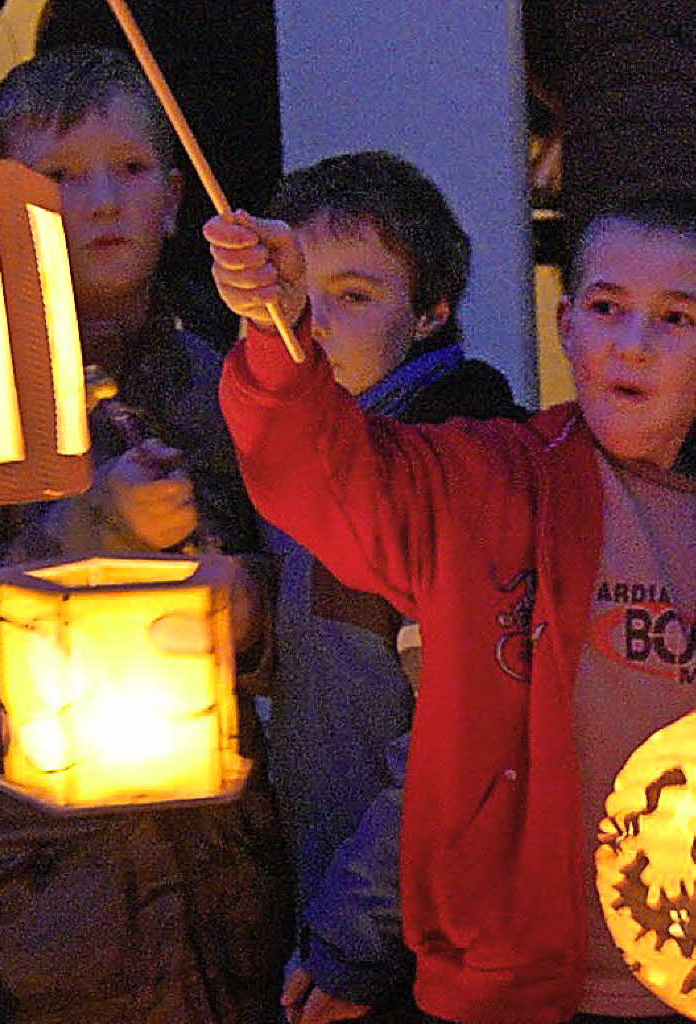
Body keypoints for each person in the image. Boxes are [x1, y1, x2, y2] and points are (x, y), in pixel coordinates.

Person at [205, 188, 696, 1024]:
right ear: (566, 324)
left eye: (675, 318)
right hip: (524, 986)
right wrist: (277, 331)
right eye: (608, 308)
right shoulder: (496, 481)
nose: (632, 345)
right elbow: (322, 473)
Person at [0, 45, 291, 1024]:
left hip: (220, 896)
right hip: (41, 911)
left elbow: (300, 606)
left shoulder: (224, 382)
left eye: (130, 167)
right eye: (61, 177)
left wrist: (239, 602)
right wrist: (88, 529)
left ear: (173, 199)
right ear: (0, 206)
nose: (102, 199)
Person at [252, 151, 525, 1024]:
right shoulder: (325, 450)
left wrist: (354, 938)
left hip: (422, 952)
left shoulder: (448, 466)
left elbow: (457, 738)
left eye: (355, 296)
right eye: (298, 295)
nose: (315, 324)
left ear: (432, 309)